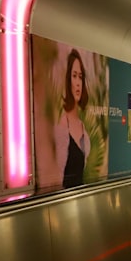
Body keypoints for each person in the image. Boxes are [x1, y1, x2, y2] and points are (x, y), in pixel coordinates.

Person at [55, 49, 90, 188]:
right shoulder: (63, 124)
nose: (78, 83)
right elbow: (58, 175)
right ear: (67, 80)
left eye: (80, 77)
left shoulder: (83, 128)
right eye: (74, 76)